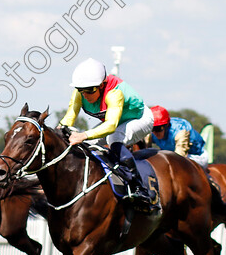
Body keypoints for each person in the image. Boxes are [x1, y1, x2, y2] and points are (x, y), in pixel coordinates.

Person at [59, 58, 155, 209]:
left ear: (102, 85)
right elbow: (69, 117)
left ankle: (139, 187)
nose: (85, 95)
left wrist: (83, 135)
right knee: (86, 145)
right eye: (81, 90)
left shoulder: (114, 93)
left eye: (90, 90)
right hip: (117, 121)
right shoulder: (80, 93)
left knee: (114, 138)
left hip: (140, 118)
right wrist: (59, 132)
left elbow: (111, 126)